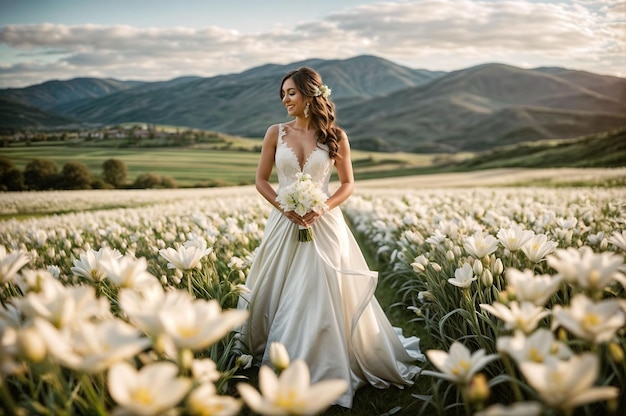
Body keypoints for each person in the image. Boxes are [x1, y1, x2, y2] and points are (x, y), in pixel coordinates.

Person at [237, 66, 423, 408]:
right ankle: (280, 355)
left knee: (324, 288)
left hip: (325, 222)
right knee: (279, 285)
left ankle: (328, 359)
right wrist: (284, 207)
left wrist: (321, 208)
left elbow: (348, 184)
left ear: (311, 95)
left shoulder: (335, 136)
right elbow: (261, 180)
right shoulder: (274, 133)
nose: (285, 100)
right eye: (282, 94)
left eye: (291, 93)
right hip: (284, 221)